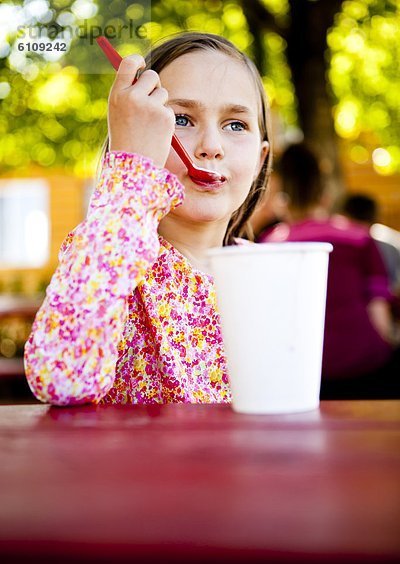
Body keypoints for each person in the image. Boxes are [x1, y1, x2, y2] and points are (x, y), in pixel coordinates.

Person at [24, 32, 271, 406]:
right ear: (136, 137)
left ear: (261, 159)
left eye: (235, 125)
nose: (211, 146)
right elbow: (59, 378)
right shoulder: (108, 252)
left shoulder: (268, 271)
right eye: (182, 119)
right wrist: (132, 172)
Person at [258, 143, 400, 399]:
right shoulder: (358, 238)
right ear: (326, 193)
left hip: (301, 372)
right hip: (367, 365)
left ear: (281, 197)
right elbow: (379, 314)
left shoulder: (270, 244)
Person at [341, 193, 400, 293]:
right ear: (375, 217)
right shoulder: (389, 246)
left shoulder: (342, 246)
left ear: (346, 215)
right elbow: (395, 286)